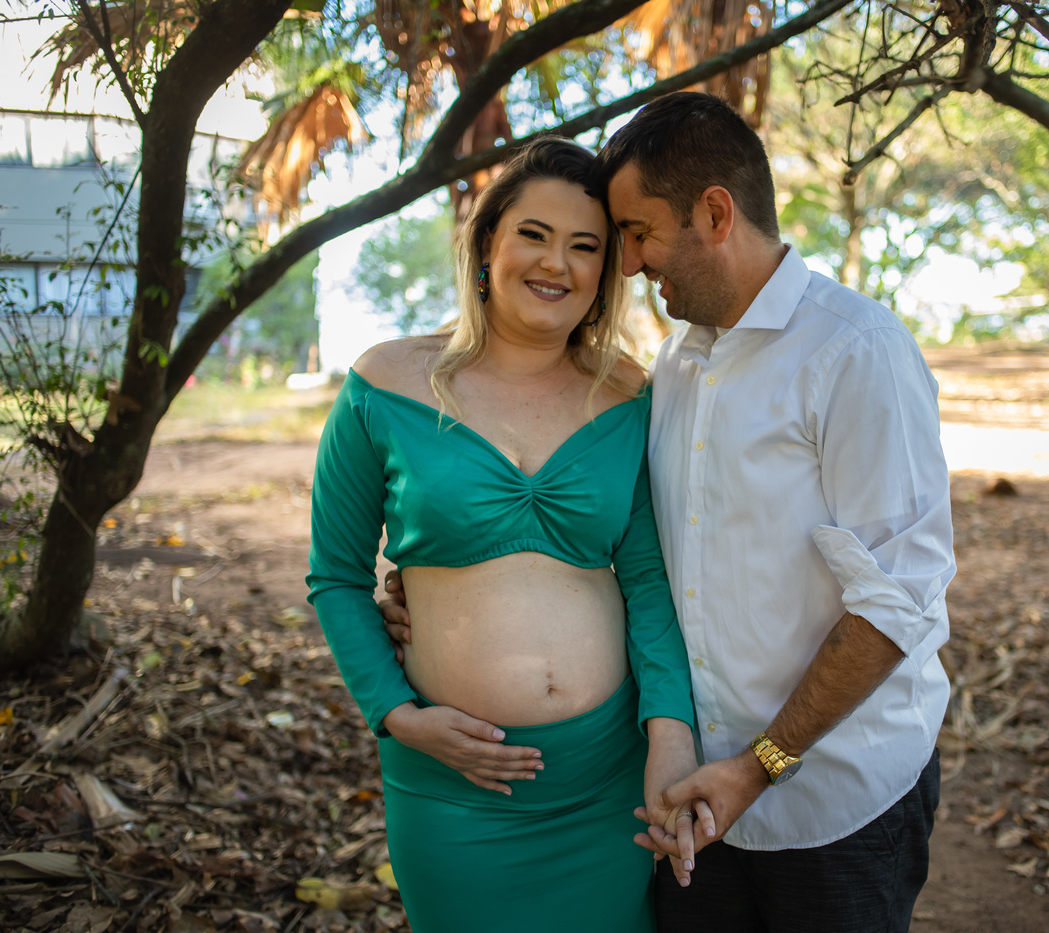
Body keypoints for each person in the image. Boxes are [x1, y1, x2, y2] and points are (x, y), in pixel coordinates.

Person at [385, 92, 954, 931]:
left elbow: (898, 598)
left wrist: (759, 765)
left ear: (715, 214)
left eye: (638, 232)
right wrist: (442, 590)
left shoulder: (855, 352)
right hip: (689, 795)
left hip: (838, 798)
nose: (626, 265)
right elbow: (626, 548)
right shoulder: (676, 363)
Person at [306, 137, 704, 933]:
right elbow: (337, 575)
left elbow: (648, 580)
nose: (556, 262)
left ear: (605, 271)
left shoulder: (630, 395)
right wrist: (397, 713)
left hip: (607, 779)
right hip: (455, 786)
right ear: (488, 243)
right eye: (534, 234)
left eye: (585, 245)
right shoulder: (384, 384)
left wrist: (671, 733)